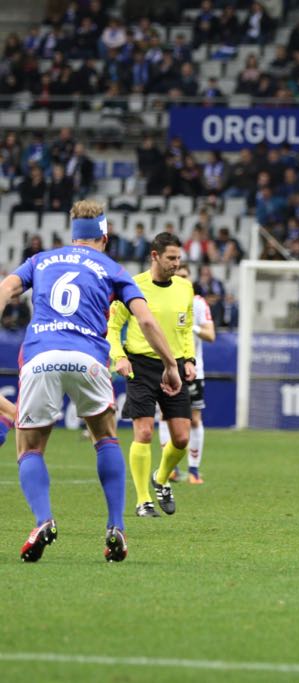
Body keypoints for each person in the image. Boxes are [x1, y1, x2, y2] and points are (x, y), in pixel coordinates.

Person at [2, 200, 182, 562]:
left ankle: (43, 520)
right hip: (89, 359)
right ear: (104, 235)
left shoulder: (41, 260)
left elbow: (5, 289)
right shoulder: (113, 268)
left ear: (73, 234)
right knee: (105, 438)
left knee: (30, 449)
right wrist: (170, 364)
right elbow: (145, 321)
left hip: (41, 355)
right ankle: (116, 526)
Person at [107, 233, 196, 518]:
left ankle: (160, 478)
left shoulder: (185, 288)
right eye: (171, 258)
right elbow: (111, 326)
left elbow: (186, 328)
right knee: (143, 431)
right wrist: (119, 357)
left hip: (176, 366)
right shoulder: (132, 286)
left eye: (179, 258)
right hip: (141, 365)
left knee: (182, 438)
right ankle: (143, 500)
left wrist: (190, 359)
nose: (176, 263)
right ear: (155, 256)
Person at [157, 263, 215, 485]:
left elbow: (211, 335)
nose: (181, 278)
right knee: (164, 416)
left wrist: (193, 328)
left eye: (185, 275)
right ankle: (169, 468)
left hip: (193, 369)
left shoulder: (198, 303)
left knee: (194, 419)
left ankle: (194, 469)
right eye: (178, 274)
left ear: (190, 279)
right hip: (164, 367)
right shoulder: (162, 300)